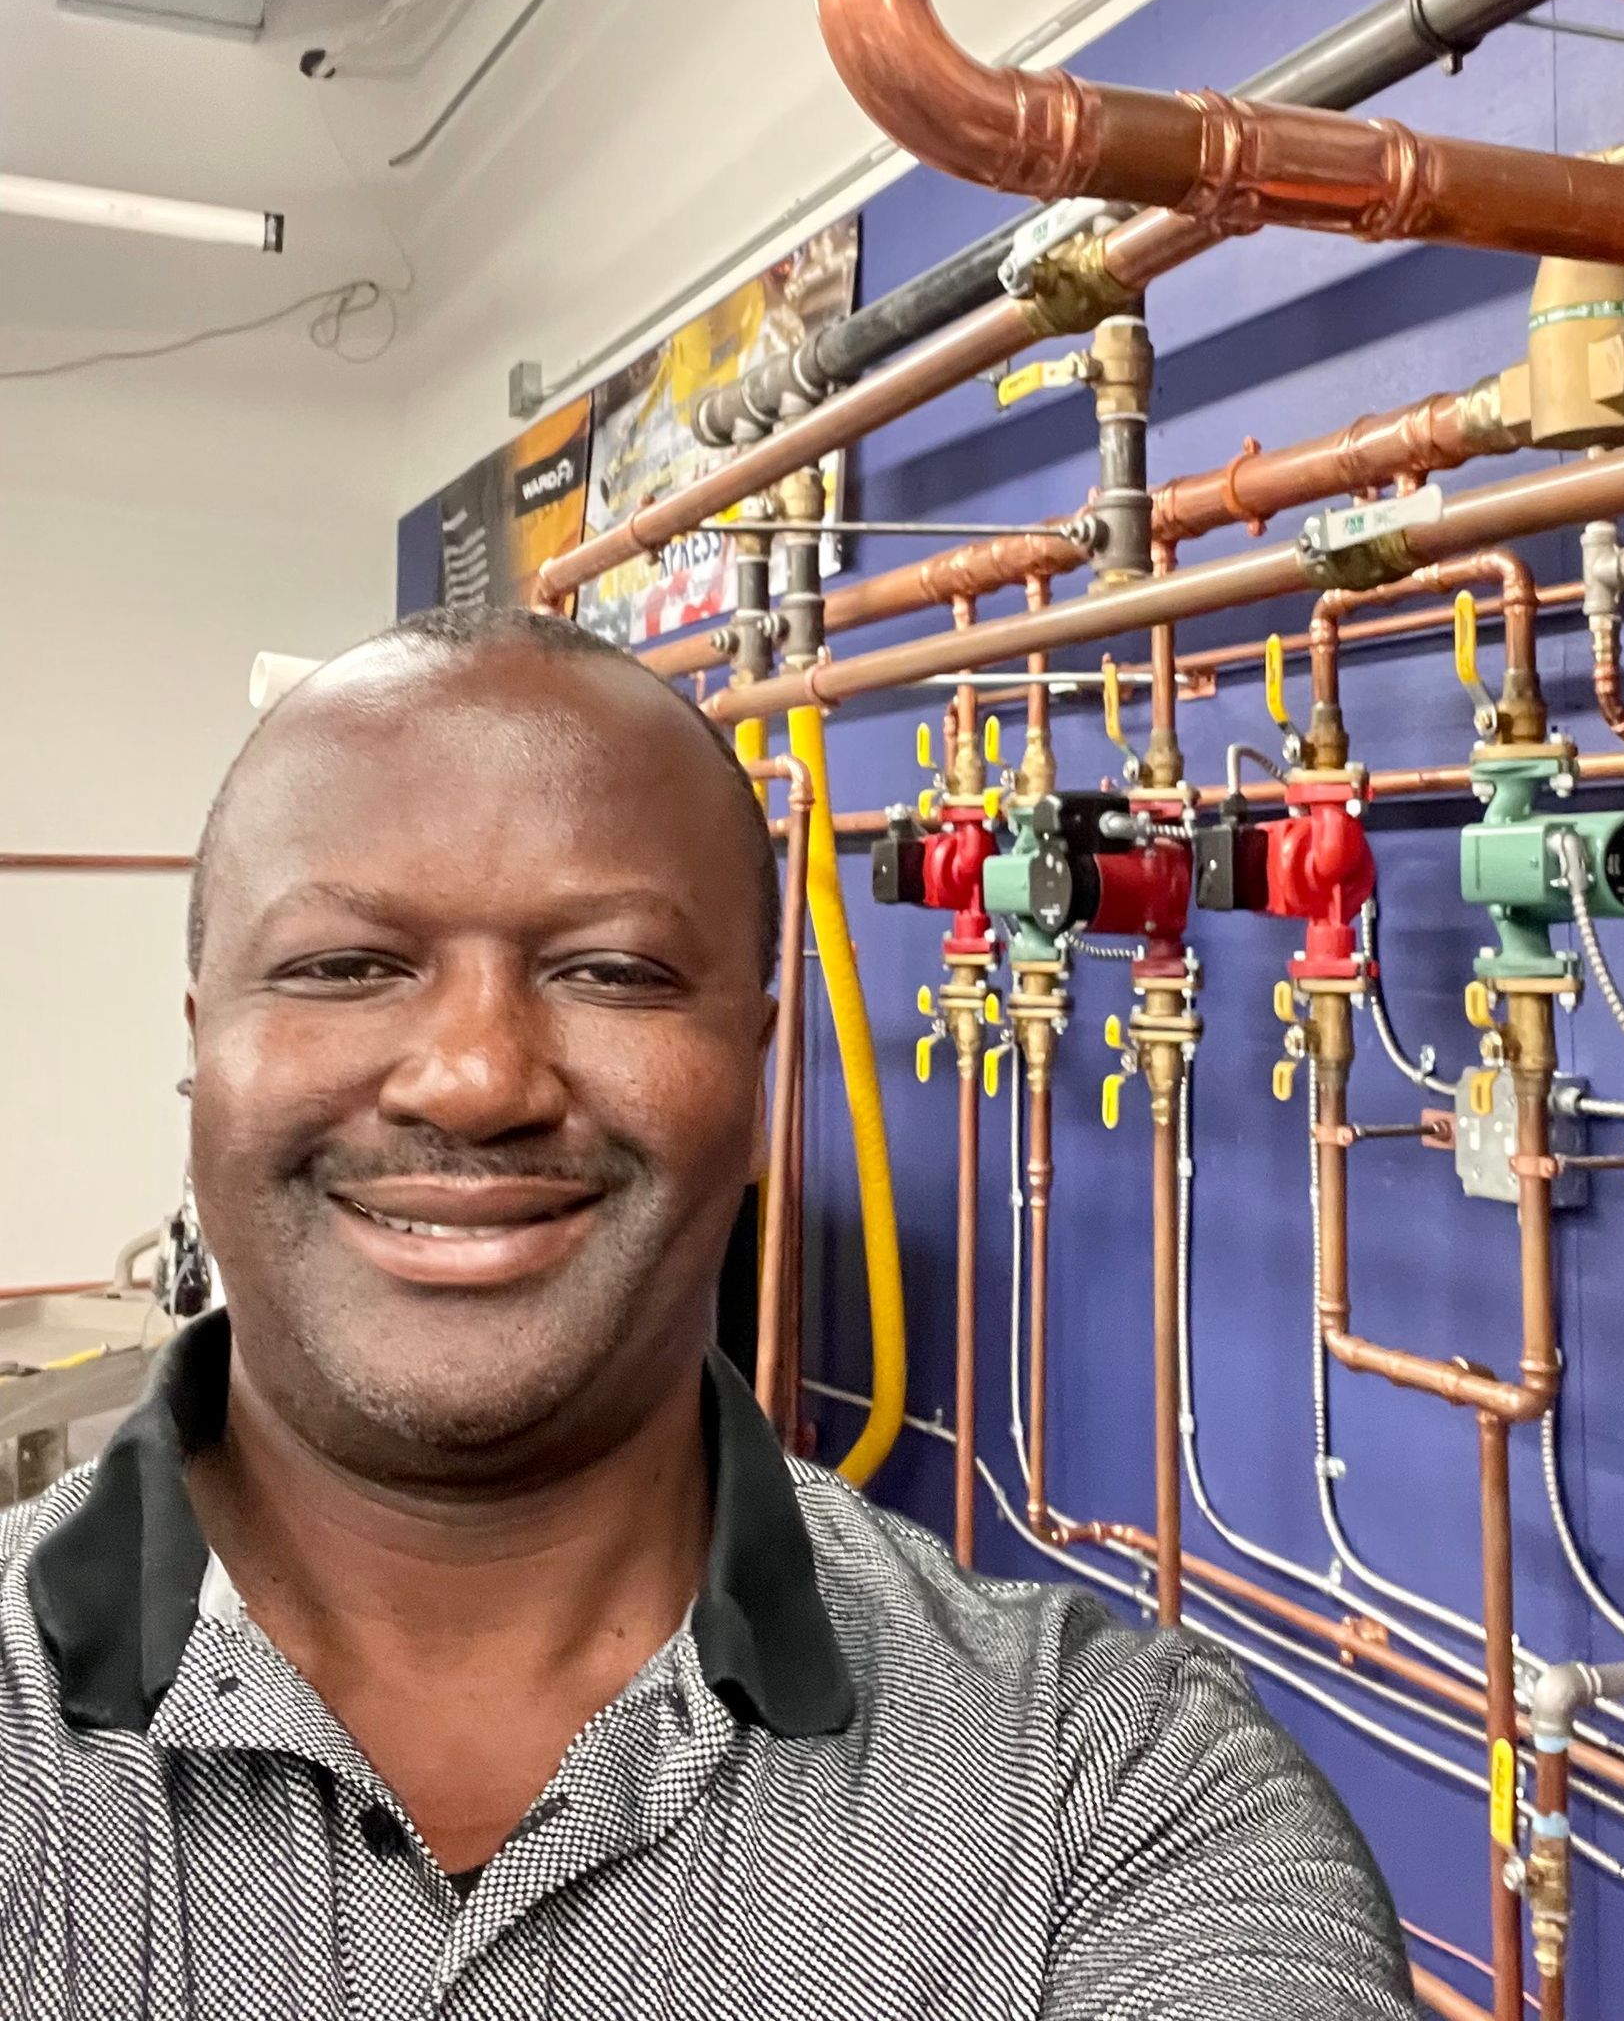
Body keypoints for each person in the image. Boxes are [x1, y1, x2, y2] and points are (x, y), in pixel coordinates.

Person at [0, 607, 1416, 2017]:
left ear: (755, 1076)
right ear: (204, 1049)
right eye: (346, 967)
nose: (478, 1079)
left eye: (611, 970)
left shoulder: (1115, 1800)